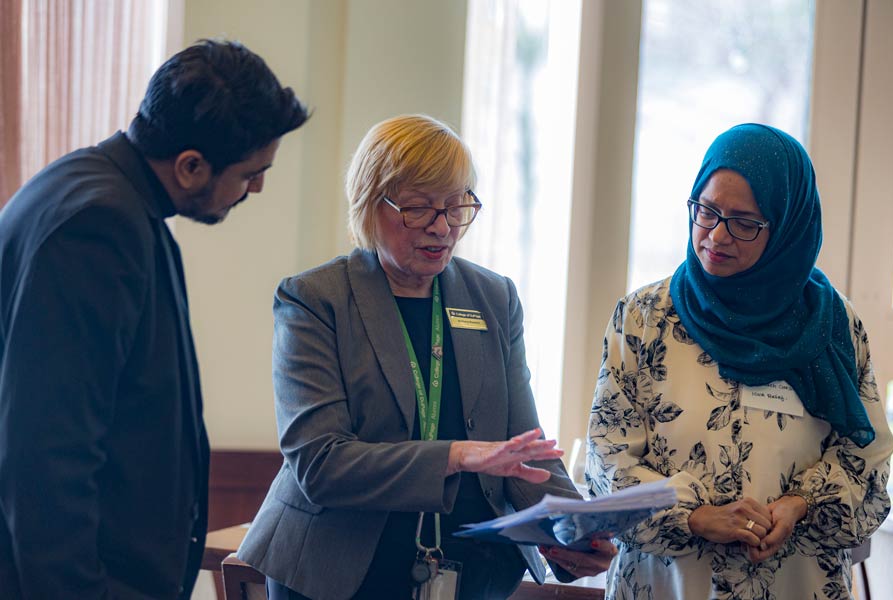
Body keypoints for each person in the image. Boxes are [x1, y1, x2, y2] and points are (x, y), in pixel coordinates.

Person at [238, 114, 616, 599]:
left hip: (470, 575)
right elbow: (320, 464)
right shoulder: (315, 299)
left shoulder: (493, 298)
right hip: (339, 573)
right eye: (418, 209)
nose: (442, 228)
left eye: (457, 207)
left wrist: (575, 531)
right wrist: (456, 456)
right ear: (370, 205)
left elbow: (522, 448)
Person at [0, 39, 308, 599]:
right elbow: (48, 453)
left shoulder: (100, 193)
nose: (257, 187)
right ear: (191, 166)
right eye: (249, 173)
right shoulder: (97, 225)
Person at [585, 123, 893, 599]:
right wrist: (692, 517)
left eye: (745, 222)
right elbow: (607, 465)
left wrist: (801, 505)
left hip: (796, 583)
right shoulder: (645, 318)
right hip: (667, 584)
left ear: (788, 225)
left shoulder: (831, 324)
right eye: (706, 211)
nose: (716, 235)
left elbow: (867, 465)